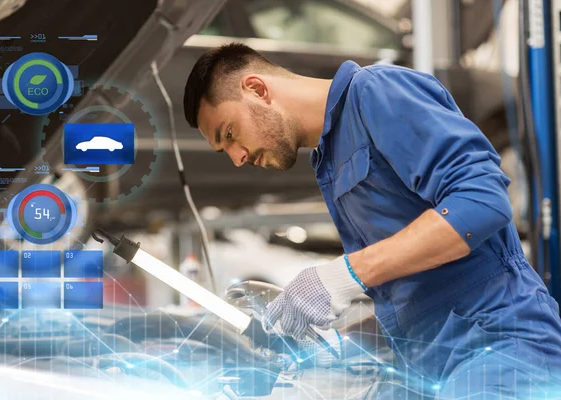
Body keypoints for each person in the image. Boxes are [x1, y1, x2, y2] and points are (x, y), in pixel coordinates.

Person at [182, 43, 561, 398]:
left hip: (502, 348)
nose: (237, 157)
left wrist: (342, 276)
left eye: (229, 134)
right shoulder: (330, 160)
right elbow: (418, 294)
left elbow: (482, 203)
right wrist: (335, 348)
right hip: (433, 366)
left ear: (257, 89)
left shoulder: (376, 93)